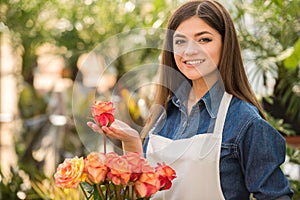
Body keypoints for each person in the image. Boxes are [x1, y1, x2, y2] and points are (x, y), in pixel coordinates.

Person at [87, 0, 294, 199]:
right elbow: (141, 193)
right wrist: (132, 142)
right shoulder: (163, 115)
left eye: (204, 39)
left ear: (225, 44)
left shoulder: (245, 121)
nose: (189, 51)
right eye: (180, 41)